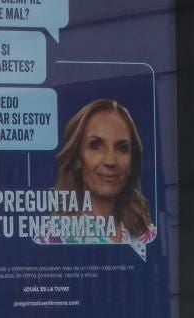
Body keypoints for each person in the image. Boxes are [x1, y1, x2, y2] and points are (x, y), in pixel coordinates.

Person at [42, 99, 158, 254]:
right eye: (95, 145)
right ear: (77, 158)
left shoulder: (148, 235)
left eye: (122, 148)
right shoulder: (52, 238)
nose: (110, 161)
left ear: (132, 161)